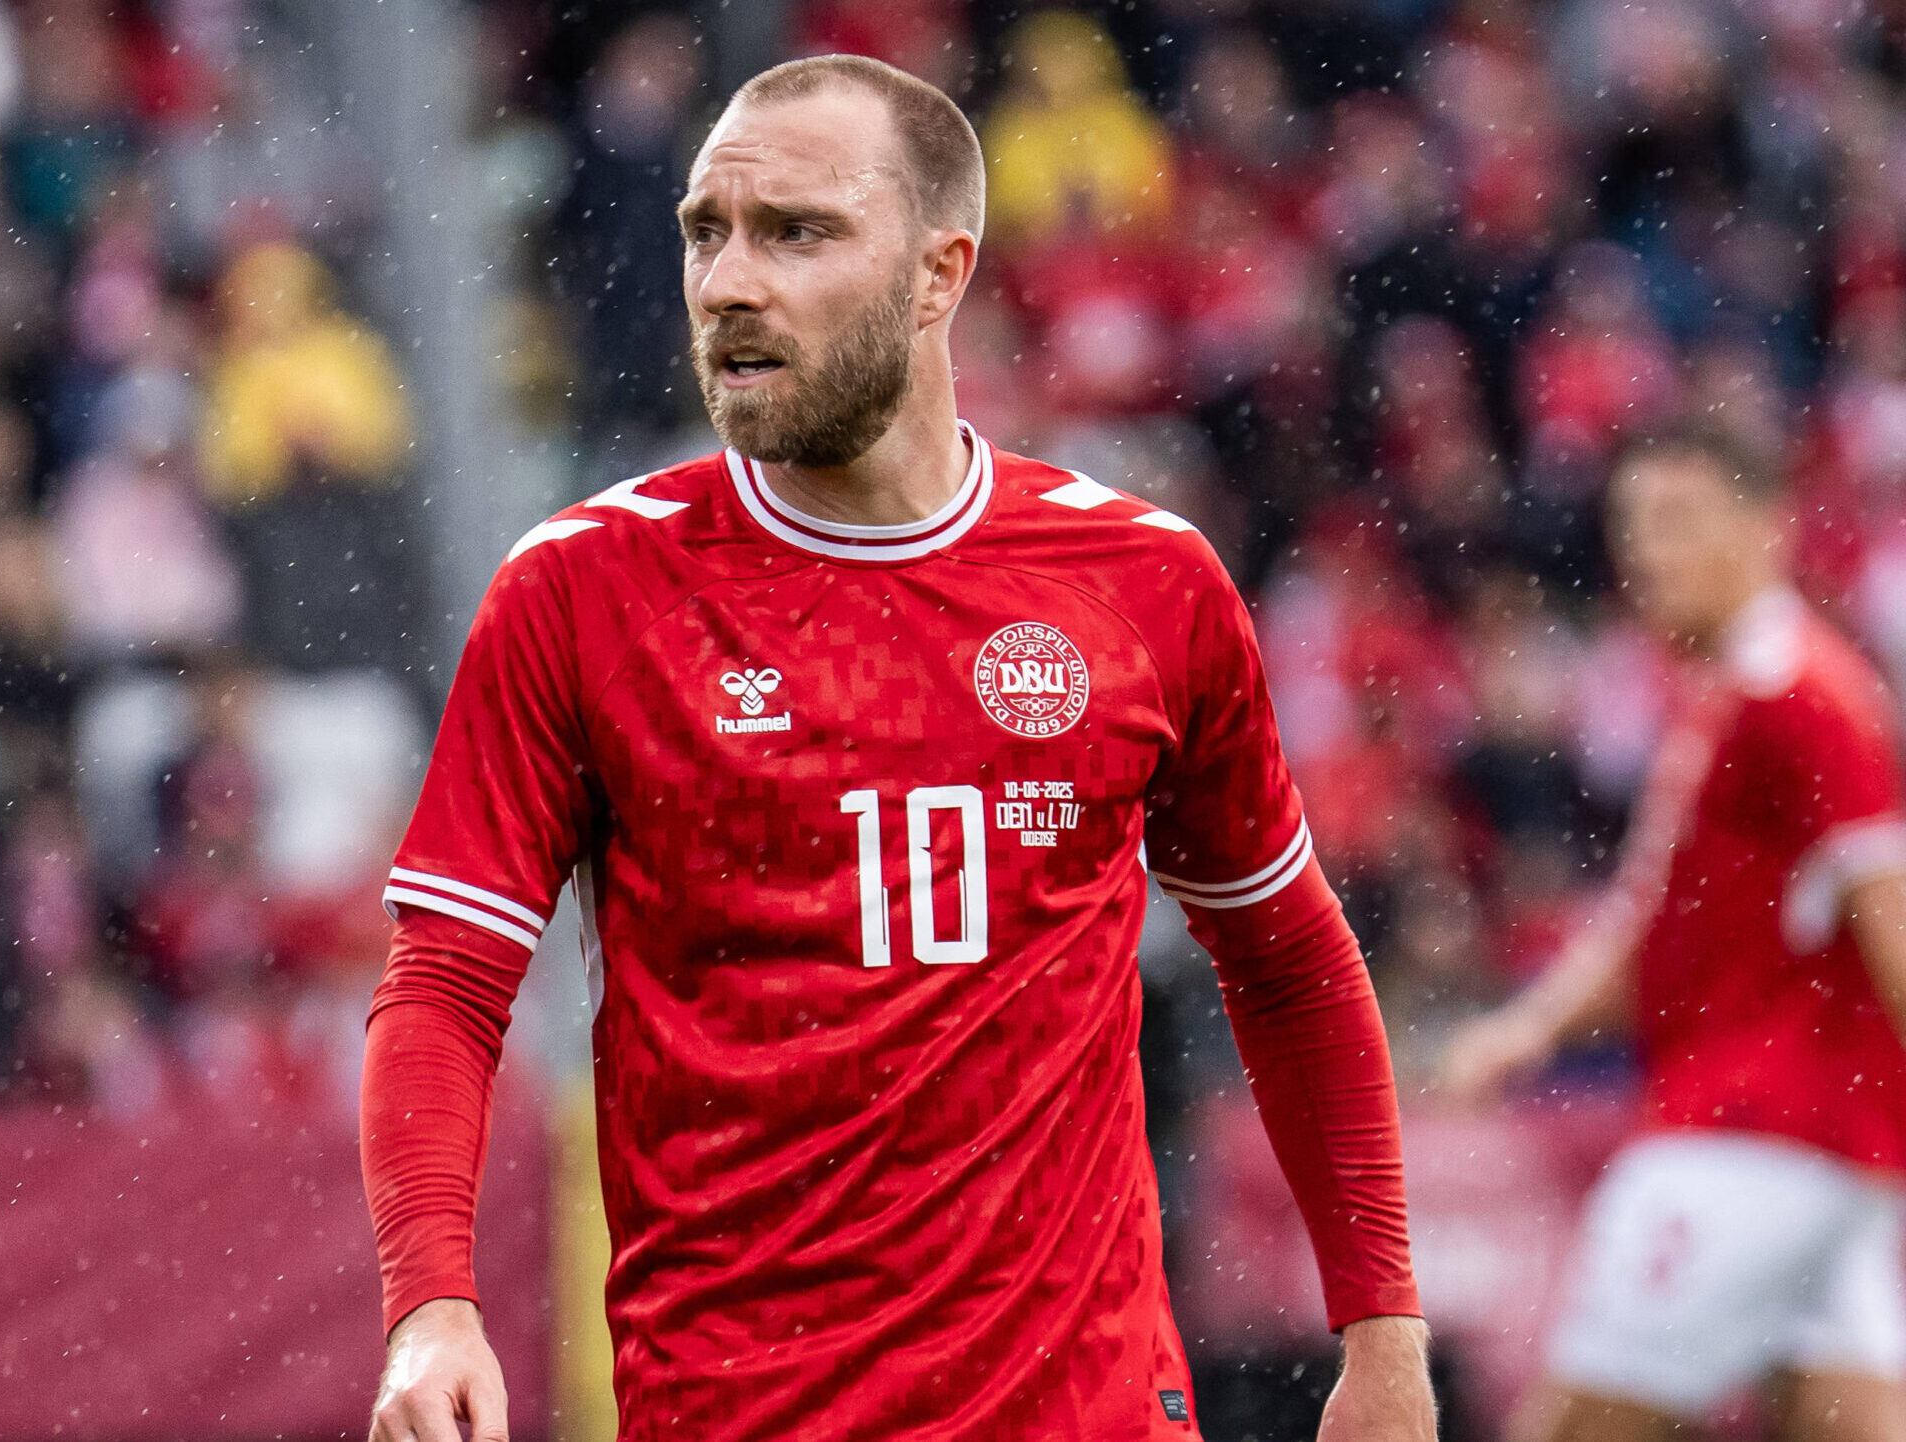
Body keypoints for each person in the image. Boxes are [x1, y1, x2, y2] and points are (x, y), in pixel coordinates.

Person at [361, 55, 1433, 1441]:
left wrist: (1385, 1329)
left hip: (1091, 1412)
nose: (729, 280)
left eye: (797, 232)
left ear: (940, 275)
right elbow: (444, 982)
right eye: (707, 231)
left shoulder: (1142, 583)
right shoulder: (585, 591)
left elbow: (1286, 959)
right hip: (742, 1411)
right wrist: (430, 1301)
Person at [1442, 430, 1906, 1442]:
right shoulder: (1732, 695)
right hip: (1818, 1146)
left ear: (1769, 526)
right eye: (1631, 524)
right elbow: (1657, 921)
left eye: (1679, 519)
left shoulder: (1804, 696)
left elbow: (1890, 910)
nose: (1647, 551)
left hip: (1747, 1137)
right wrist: (1529, 1029)